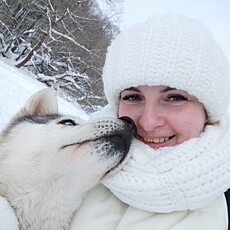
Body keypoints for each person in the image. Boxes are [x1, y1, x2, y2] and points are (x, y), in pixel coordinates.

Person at [70, 15, 230, 230]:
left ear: (208, 111)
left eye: (174, 98)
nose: (148, 122)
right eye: (133, 97)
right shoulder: (71, 157)